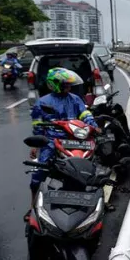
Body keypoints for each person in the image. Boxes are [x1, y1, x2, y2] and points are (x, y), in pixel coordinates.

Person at [28, 68, 99, 206]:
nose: (69, 86)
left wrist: (94, 126)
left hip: (76, 138)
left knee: (94, 165)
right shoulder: (42, 102)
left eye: (69, 84)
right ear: (54, 84)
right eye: (65, 84)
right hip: (52, 141)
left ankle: (97, 199)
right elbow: (37, 126)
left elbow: (85, 114)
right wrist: (35, 146)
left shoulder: (75, 99)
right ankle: (32, 205)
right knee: (39, 173)